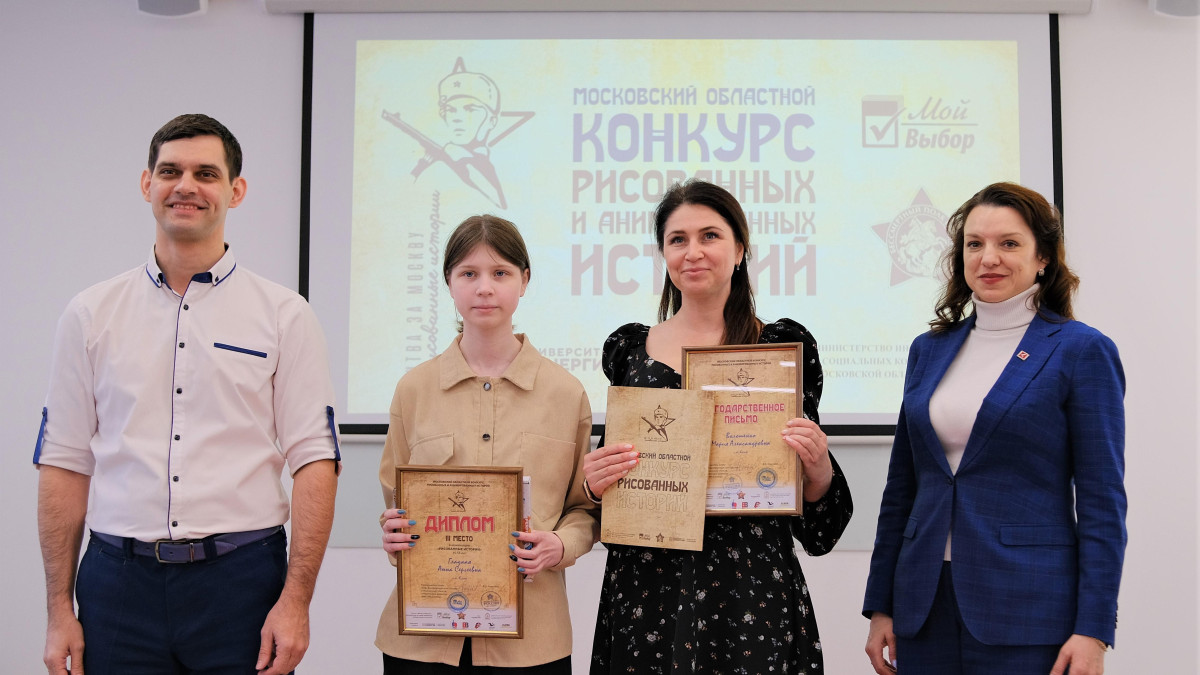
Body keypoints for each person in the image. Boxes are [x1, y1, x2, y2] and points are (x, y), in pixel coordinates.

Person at [34, 114, 341, 675]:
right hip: (117, 585)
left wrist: (296, 601)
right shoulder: (90, 315)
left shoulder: (284, 315)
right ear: (146, 183)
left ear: (235, 191)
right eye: (170, 171)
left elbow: (315, 460)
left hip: (241, 584)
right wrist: (58, 610)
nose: (186, 186)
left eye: (206, 173)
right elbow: (63, 462)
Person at [584, 180, 854, 674]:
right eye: (677, 239)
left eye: (710, 235)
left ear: (740, 249)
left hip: (750, 588)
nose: (693, 252)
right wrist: (595, 483)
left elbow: (819, 524)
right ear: (664, 253)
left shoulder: (779, 350)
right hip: (649, 591)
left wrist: (818, 469)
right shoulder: (630, 352)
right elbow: (609, 495)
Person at [862, 182, 1127, 675]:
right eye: (975, 244)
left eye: (1009, 243)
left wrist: (1093, 629)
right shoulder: (929, 349)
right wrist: (882, 605)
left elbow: (1102, 501)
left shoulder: (1080, 350)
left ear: (1043, 257)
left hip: (1027, 607)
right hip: (922, 606)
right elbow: (902, 488)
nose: (989, 258)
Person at [375, 215, 597, 674]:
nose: (484, 288)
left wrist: (560, 545)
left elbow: (584, 509)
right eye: (468, 273)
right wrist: (394, 530)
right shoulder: (414, 390)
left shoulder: (566, 393)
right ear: (449, 283)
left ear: (524, 281)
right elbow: (396, 502)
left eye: (500, 273)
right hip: (423, 637)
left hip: (532, 640)